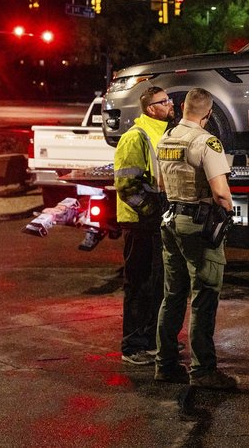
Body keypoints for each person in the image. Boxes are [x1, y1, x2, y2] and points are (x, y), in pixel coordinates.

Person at [153, 88, 238, 389]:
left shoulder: (166, 139)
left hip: (170, 221)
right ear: (209, 113)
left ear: (182, 107)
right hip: (198, 225)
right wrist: (228, 215)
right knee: (204, 295)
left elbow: (161, 184)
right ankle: (203, 372)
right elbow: (220, 193)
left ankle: (164, 364)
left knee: (173, 295)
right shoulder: (206, 142)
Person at [114, 86, 175, 365]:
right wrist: (153, 212)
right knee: (138, 285)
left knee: (157, 283)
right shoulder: (134, 138)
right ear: (151, 108)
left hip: (153, 222)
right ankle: (133, 346)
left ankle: (151, 340)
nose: (171, 104)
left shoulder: (163, 133)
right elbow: (126, 186)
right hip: (139, 223)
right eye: (165, 101)